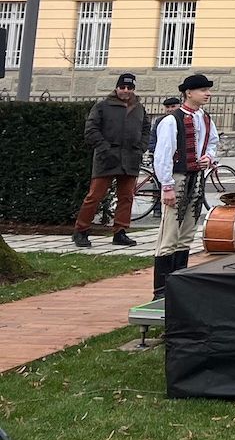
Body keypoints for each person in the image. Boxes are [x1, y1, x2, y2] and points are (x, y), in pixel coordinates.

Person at [151, 74, 220, 299]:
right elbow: (163, 154)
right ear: (188, 93)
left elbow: (213, 142)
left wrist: (208, 158)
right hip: (177, 178)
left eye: (207, 90)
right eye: (202, 90)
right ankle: (161, 289)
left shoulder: (205, 118)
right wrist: (167, 185)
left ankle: (179, 282)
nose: (207, 93)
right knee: (169, 232)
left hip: (196, 177)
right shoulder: (172, 120)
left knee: (188, 230)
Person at [71, 73, 150, 248]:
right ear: (117, 88)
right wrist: (105, 148)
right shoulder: (102, 106)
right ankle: (81, 230)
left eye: (130, 88)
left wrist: (140, 147)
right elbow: (91, 130)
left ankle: (120, 232)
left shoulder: (139, 108)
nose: (126, 91)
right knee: (94, 196)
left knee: (126, 197)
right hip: (106, 158)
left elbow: (146, 128)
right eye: (123, 87)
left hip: (130, 158)